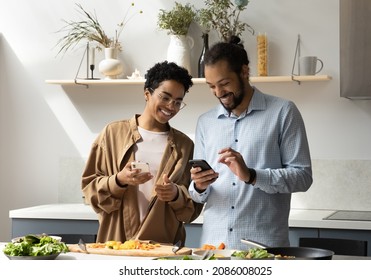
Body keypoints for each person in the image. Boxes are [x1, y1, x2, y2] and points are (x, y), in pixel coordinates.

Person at [189, 37, 313, 250]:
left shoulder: (283, 112)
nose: (219, 93)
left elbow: (302, 177)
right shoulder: (205, 122)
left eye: (225, 83)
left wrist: (252, 175)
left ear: (244, 72)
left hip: (264, 249)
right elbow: (198, 195)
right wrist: (199, 185)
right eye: (212, 86)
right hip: (213, 249)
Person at [82, 61, 203, 245]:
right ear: (147, 93)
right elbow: (89, 190)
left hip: (164, 248)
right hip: (116, 245)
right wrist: (119, 180)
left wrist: (175, 194)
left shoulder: (184, 145)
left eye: (178, 102)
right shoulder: (112, 133)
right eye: (165, 97)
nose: (171, 106)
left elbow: (191, 209)